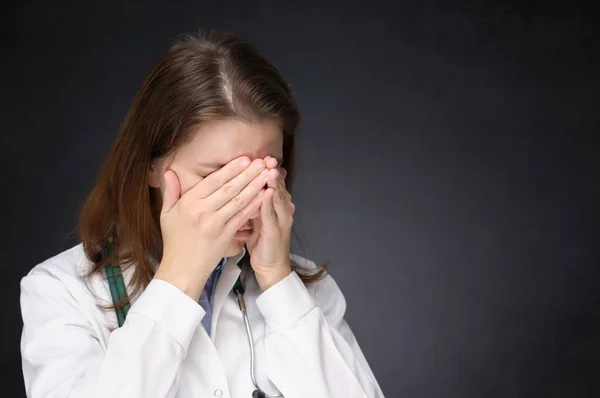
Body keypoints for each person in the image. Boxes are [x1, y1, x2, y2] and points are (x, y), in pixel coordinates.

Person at [19, 30, 385, 398]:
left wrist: (278, 281)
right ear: (151, 165)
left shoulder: (308, 293)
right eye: (218, 177)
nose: (245, 200)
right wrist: (178, 281)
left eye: (264, 174)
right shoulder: (60, 292)